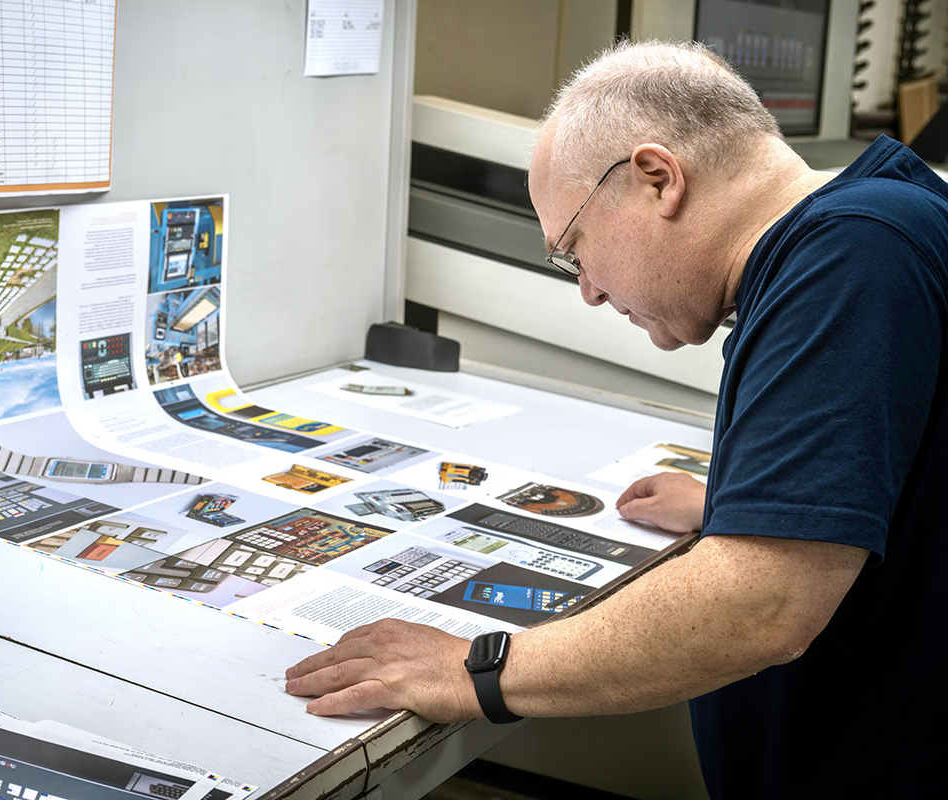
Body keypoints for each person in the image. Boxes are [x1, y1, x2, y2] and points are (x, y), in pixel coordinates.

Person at [285, 40, 948, 798]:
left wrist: (472, 670)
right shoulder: (882, 219)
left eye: (576, 249)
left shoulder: (852, 254)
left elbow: (763, 606)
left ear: (656, 179)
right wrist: (756, 505)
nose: (590, 291)